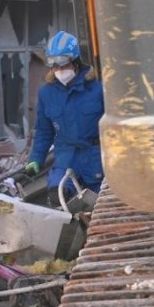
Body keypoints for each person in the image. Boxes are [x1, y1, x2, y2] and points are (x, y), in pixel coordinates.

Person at [25, 31, 104, 205]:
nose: (58, 70)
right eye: (53, 65)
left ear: (75, 62)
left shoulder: (98, 89)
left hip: (95, 157)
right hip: (66, 157)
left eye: (62, 65)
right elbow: (44, 132)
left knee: (97, 204)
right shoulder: (47, 93)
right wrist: (35, 159)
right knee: (57, 196)